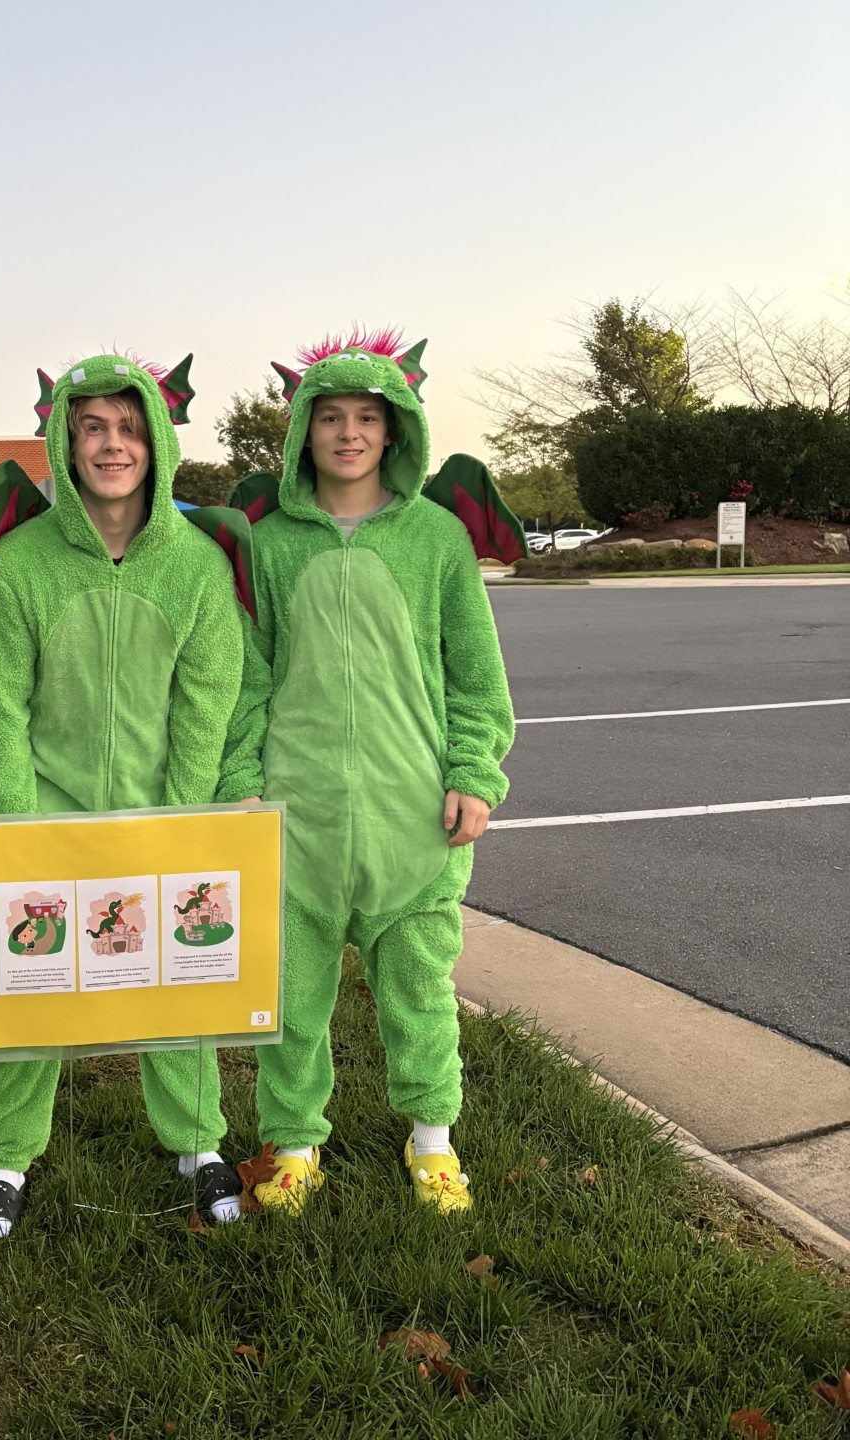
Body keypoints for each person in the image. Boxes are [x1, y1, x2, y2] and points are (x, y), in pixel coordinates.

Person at [218, 330, 514, 1215]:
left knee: (421, 995)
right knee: (290, 998)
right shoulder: (271, 546)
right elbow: (250, 675)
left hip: (408, 817)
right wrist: (241, 779)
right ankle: (296, 1144)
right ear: (302, 432)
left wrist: (473, 770)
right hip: (295, 816)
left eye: (369, 418)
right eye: (331, 416)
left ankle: (433, 1144)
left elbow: (475, 672)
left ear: (396, 432)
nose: (349, 433)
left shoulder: (436, 539)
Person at [0, 353, 245, 1239]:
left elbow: (208, 699)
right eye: (92, 428)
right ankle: (7, 1158)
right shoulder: (22, 564)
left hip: (160, 815)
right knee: (31, 986)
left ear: (156, 442)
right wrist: (20, 823)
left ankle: (198, 1143)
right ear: (65, 442)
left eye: (128, 428)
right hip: (47, 815)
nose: (111, 444)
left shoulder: (194, 567)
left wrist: (177, 815)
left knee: (182, 982)